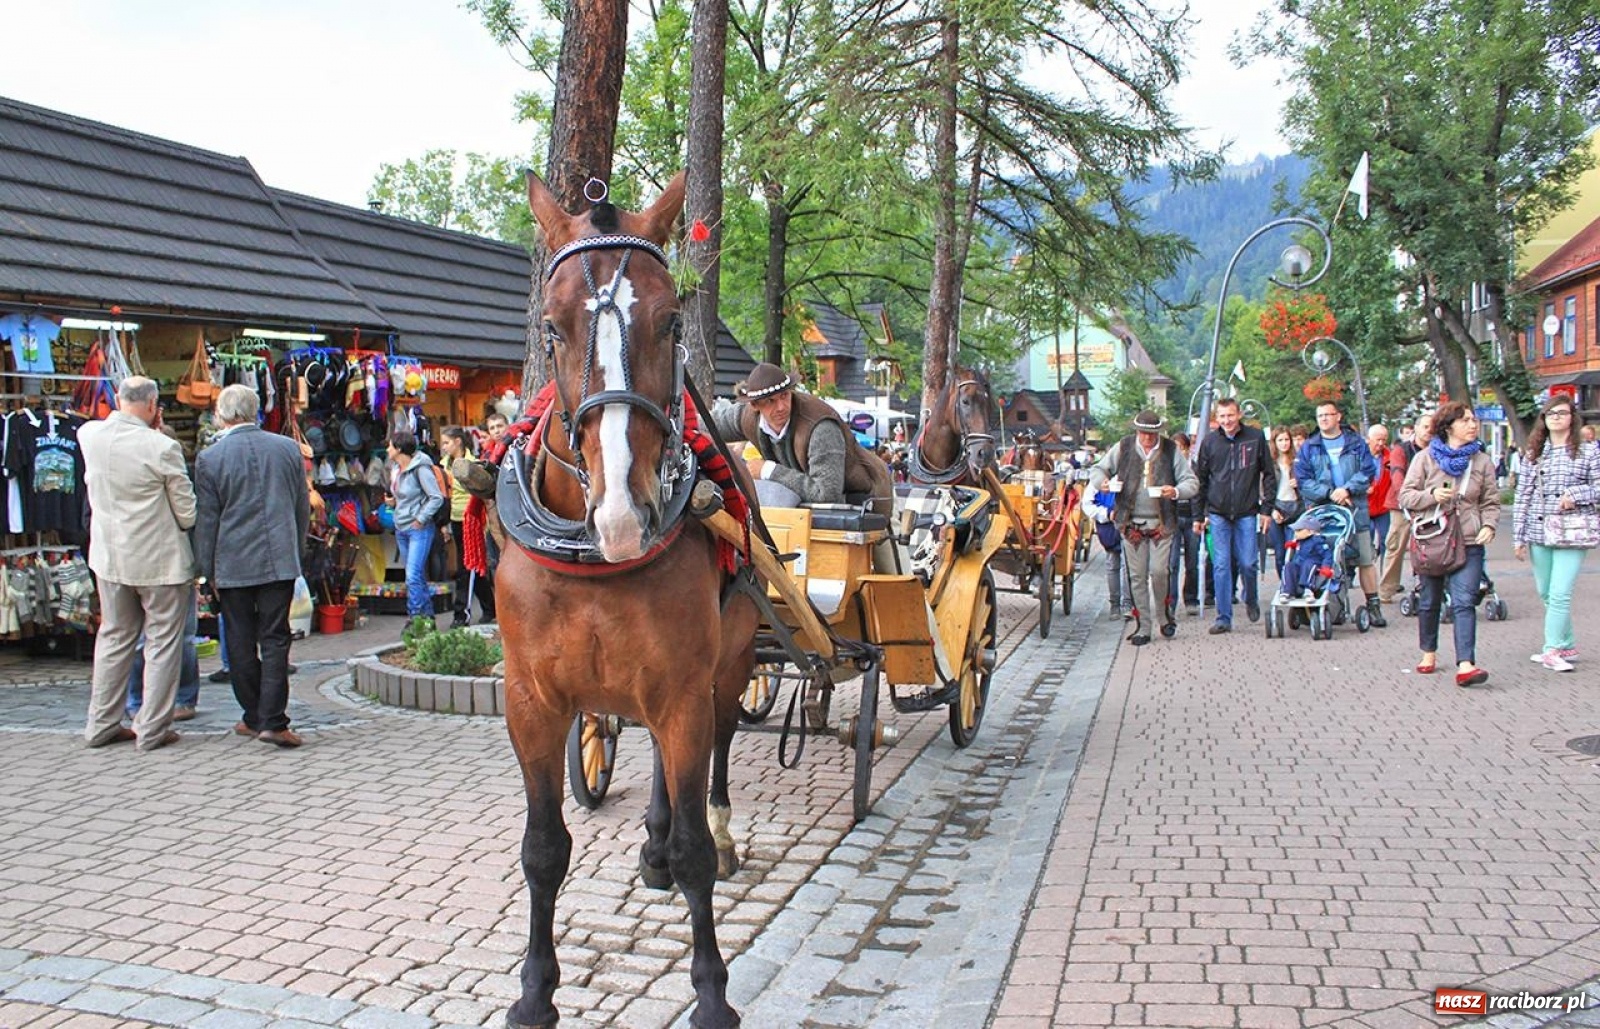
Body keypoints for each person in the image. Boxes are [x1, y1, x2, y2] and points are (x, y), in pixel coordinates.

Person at [79, 376, 196, 752]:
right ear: (152, 405)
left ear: (118, 399)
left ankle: (101, 723)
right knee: (162, 641)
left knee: (114, 637)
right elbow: (187, 512)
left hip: (109, 556)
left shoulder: (89, 436)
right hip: (158, 561)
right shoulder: (162, 447)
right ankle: (152, 728)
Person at [195, 384, 311, 747]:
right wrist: (297, 547)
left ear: (221, 415)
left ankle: (253, 715)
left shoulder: (210, 458)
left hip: (231, 563)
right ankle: (273, 722)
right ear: (257, 410)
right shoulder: (286, 449)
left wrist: (204, 570)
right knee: (275, 638)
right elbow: (300, 506)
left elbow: (207, 520)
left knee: (240, 639)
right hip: (279, 558)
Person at [1398, 401, 1499, 686]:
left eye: (1473, 420)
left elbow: (1490, 501)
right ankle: (1428, 651)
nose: (1472, 425)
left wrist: (1489, 525)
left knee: (1464, 601)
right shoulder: (1426, 458)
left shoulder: (1481, 461)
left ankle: (1466, 665)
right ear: (1449, 426)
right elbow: (1406, 497)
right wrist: (1432, 495)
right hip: (1434, 539)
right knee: (1429, 601)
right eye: (1465, 420)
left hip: (1468, 540)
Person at [710, 363, 892, 508]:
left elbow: (826, 495)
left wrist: (768, 470)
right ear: (755, 406)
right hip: (807, 510)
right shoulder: (746, 416)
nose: (781, 406)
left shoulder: (820, 427)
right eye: (771, 401)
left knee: (885, 555)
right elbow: (703, 423)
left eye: (784, 396)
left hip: (868, 500)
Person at [1087, 410, 1198, 645]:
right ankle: (1143, 627)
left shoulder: (1170, 450)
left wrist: (1176, 491)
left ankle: (1164, 617)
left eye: (1152, 434)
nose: (1147, 438)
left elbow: (1191, 481)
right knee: (1136, 577)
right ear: (1137, 431)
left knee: (1159, 572)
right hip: (1131, 522)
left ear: (1159, 432)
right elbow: (1098, 470)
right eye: (1144, 433)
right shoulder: (1124, 447)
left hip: (1162, 522)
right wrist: (1103, 484)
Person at [1512, 395, 1600, 672]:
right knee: (1546, 592)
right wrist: (1518, 536)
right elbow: (1522, 495)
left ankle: (1551, 649)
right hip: (1539, 530)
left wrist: (1576, 494)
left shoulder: (1589, 451)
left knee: (1560, 592)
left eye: (1562, 413)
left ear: (1572, 417)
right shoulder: (1535, 453)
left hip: (1572, 530)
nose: (1556, 418)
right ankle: (1567, 642)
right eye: (1551, 414)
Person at [1294, 400, 1386, 628]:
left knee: (1365, 559)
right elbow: (1304, 481)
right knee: (1324, 557)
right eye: (1320, 415)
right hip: (1324, 513)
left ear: (1338, 416)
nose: (1324, 419)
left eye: (1328, 414)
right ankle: (1324, 603)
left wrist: (1347, 489)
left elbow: (1368, 471)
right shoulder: (1310, 446)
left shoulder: (1356, 443)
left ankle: (1373, 605)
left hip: (1355, 510)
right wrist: (1329, 492)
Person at [1192, 398, 1276, 633]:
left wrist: (1267, 509)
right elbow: (1201, 480)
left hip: (1247, 511)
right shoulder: (1209, 442)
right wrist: (1198, 515)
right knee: (1221, 565)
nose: (1226, 421)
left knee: (1248, 563)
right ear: (1216, 419)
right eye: (1222, 416)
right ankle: (1223, 617)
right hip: (1218, 512)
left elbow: (1268, 474)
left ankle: (1250, 597)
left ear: (1238, 414)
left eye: (1230, 415)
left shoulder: (1255, 437)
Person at [386, 428, 446, 627]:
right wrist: (393, 503)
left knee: (412, 575)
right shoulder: (396, 470)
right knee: (416, 575)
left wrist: (421, 518)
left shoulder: (421, 468)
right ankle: (427, 618)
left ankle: (414, 618)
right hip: (401, 526)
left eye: (390, 446)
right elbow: (403, 497)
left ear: (400, 449)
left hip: (418, 528)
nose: (387, 450)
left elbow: (436, 497)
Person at [441, 426, 495, 627]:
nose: (444, 447)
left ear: (458, 442)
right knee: (472, 566)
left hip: (471, 520)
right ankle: (490, 607)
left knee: (466, 568)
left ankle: (461, 614)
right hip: (454, 519)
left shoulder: (473, 465)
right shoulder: (443, 466)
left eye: (446, 442)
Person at [1378, 413, 1431, 603]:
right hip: (1401, 505)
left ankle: (1428, 585)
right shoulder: (1402, 450)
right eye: (1425, 426)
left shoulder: (1436, 450)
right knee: (1396, 546)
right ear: (1416, 429)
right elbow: (1397, 475)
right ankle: (1386, 590)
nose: (1429, 431)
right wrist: (1407, 498)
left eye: (1432, 427)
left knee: (1430, 546)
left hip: (1428, 503)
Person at [1168, 433, 1202, 616]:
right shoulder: (1167, 469)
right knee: (1172, 563)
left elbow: (1199, 494)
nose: (1180, 452)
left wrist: (1199, 517)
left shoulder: (1194, 469)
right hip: (1173, 518)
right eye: (1176, 448)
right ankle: (1170, 602)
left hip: (1191, 517)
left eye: (1182, 448)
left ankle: (1191, 598)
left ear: (1188, 449)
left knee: (1192, 561)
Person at [1265, 426, 1302, 579]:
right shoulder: (1270, 464)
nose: (1284, 443)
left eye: (1287, 439)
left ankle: (1294, 584)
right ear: (1274, 442)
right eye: (1280, 440)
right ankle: (1284, 583)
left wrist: (1300, 484)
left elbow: (1309, 484)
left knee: (1292, 550)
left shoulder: (1298, 461)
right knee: (1279, 553)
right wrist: (1271, 510)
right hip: (1277, 508)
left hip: (1296, 508)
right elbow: (1264, 488)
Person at [1278, 510, 1334, 599]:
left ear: (1310, 531)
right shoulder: (1300, 541)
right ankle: (1287, 590)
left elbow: (1327, 555)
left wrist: (1326, 567)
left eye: (1299, 530)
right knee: (1289, 566)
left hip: (1314, 568)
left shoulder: (1317, 541)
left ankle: (1307, 589)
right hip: (1300, 565)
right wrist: (1294, 545)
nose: (1295, 533)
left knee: (1308, 563)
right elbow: (1300, 548)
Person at [1366, 424, 1394, 561]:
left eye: (1384, 440)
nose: (1381, 443)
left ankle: (1385, 578)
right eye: (1378, 440)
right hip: (1364, 505)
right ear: (1368, 439)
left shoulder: (1390, 457)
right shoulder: (1359, 456)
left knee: (1386, 541)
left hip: (1383, 506)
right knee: (1365, 542)